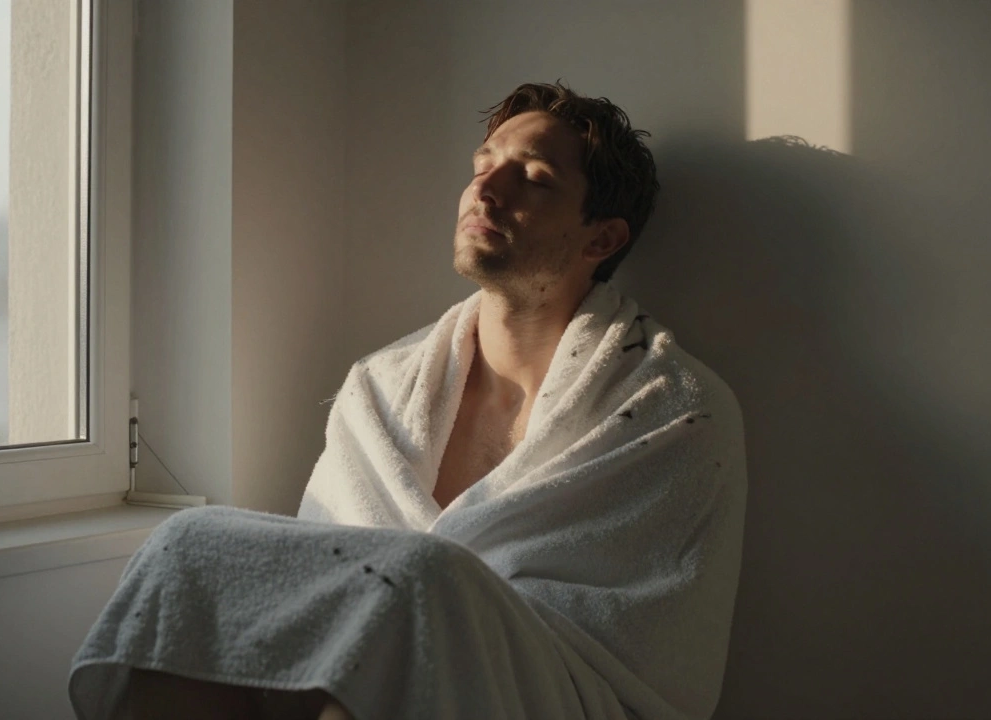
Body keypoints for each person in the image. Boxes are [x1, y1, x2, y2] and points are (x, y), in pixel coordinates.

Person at [70, 82, 747, 720]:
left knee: (423, 579)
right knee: (190, 541)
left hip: (559, 694)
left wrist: (446, 611)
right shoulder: (381, 389)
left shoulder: (672, 409)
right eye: (484, 164)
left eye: (533, 178)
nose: (485, 188)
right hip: (351, 680)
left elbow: (651, 642)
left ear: (601, 238)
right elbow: (320, 592)